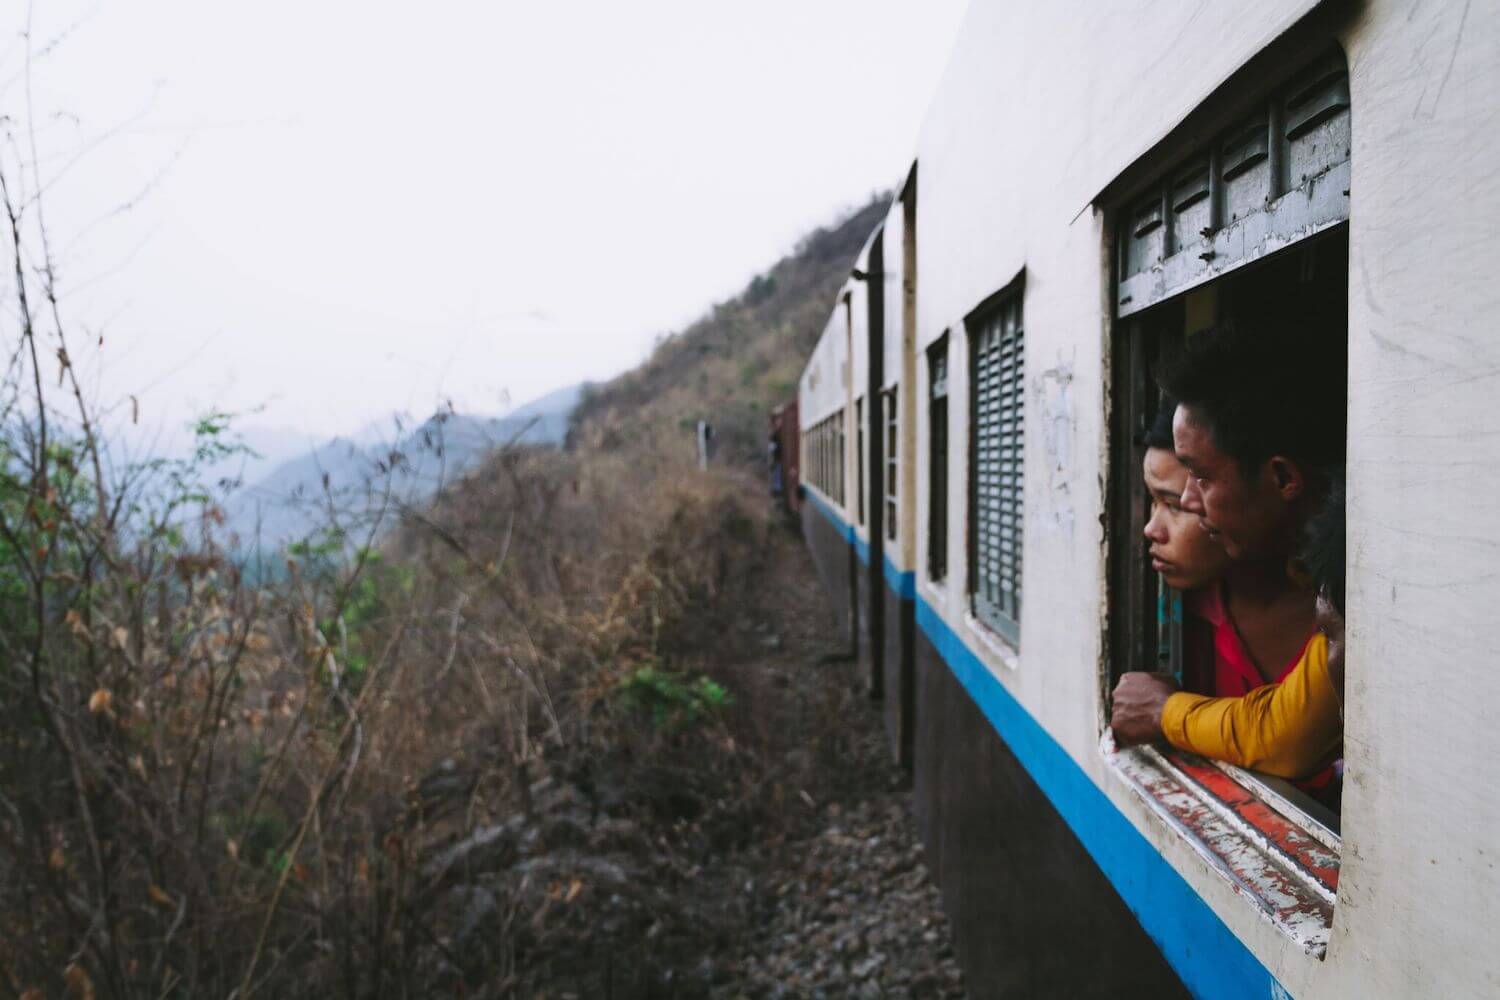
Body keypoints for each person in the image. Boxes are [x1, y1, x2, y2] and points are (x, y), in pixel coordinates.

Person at [1112, 321, 1345, 783]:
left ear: (1282, 479)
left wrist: (1167, 711)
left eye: (1199, 477)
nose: (1192, 504)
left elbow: (1287, 735)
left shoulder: (1357, 568)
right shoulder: (1304, 571)